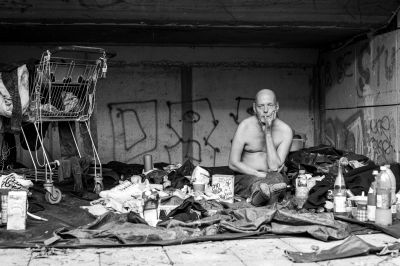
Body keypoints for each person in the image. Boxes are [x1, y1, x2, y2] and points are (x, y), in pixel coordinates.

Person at [228, 89, 293, 206]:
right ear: (254, 108)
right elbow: (233, 163)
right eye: (260, 106)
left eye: (270, 105)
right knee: (256, 183)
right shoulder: (245, 126)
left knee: (278, 178)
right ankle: (263, 195)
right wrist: (258, 174)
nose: (266, 110)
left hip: (272, 177)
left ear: (277, 107)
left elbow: (274, 167)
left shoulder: (285, 131)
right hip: (246, 177)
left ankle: (264, 196)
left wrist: (267, 133)